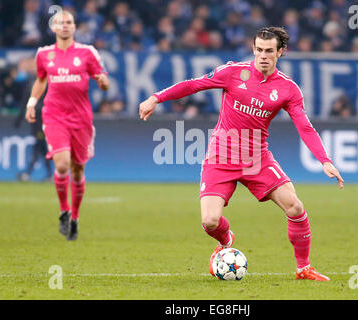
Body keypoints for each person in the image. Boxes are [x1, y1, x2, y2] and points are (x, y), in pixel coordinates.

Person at [139, 27, 344, 281]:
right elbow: (194, 85)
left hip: (257, 158)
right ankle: (226, 238)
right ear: (253, 49)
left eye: (269, 51)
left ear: (280, 52)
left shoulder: (288, 89)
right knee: (210, 221)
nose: (263, 56)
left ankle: (303, 268)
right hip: (221, 155)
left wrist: (325, 160)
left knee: (294, 206)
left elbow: (304, 126)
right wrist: (156, 98)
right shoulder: (233, 72)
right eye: (259, 50)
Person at [25, 10, 109, 240]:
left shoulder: (87, 52)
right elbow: (41, 80)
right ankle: (64, 210)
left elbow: (104, 82)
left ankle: (75, 217)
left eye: (69, 22)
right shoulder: (43, 54)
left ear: (74, 27)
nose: (65, 26)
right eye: (60, 22)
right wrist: (32, 102)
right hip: (54, 115)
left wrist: (102, 82)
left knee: (77, 169)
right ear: (53, 28)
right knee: (61, 165)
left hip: (81, 118)